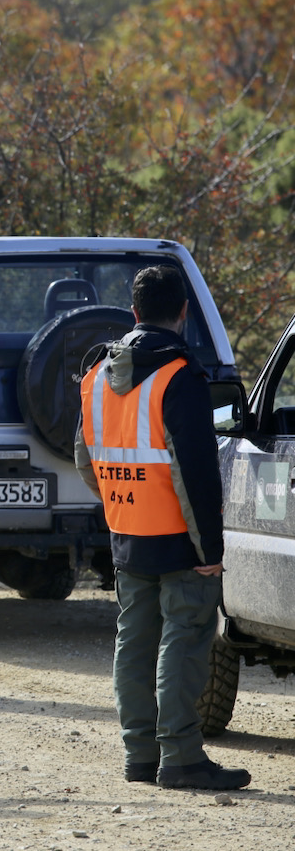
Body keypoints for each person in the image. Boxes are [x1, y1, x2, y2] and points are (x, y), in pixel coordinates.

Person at [74, 265, 249, 791]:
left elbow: (85, 458)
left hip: (127, 531)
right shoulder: (179, 376)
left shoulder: (96, 376)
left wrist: (121, 504)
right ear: (183, 312)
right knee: (186, 640)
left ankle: (140, 757)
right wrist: (211, 549)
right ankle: (181, 759)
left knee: (135, 642)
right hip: (181, 537)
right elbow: (196, 473)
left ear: (133, 312)